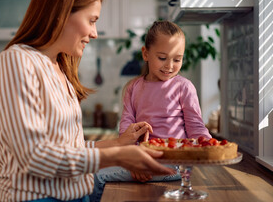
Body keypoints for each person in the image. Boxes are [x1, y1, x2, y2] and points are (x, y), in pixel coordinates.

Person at [0, 0, 174, 202]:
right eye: (92, 20)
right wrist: (119, 156)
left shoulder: (58, 67)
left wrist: (117, 143)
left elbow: (66, 148)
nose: (94, 33)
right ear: (62, 14)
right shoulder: (16, 61)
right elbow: (34, 157)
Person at [90, 21, 212, 202]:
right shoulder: (133, 88)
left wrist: (210, 147)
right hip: (140, 158)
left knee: (95, 176)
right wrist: (132, 161)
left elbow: (196, 126)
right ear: (145, 54)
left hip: (173, 164)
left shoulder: (184, 87)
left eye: (177, 59)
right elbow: (126, 129)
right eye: (162, 58)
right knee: (89, 169)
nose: (170, 66)